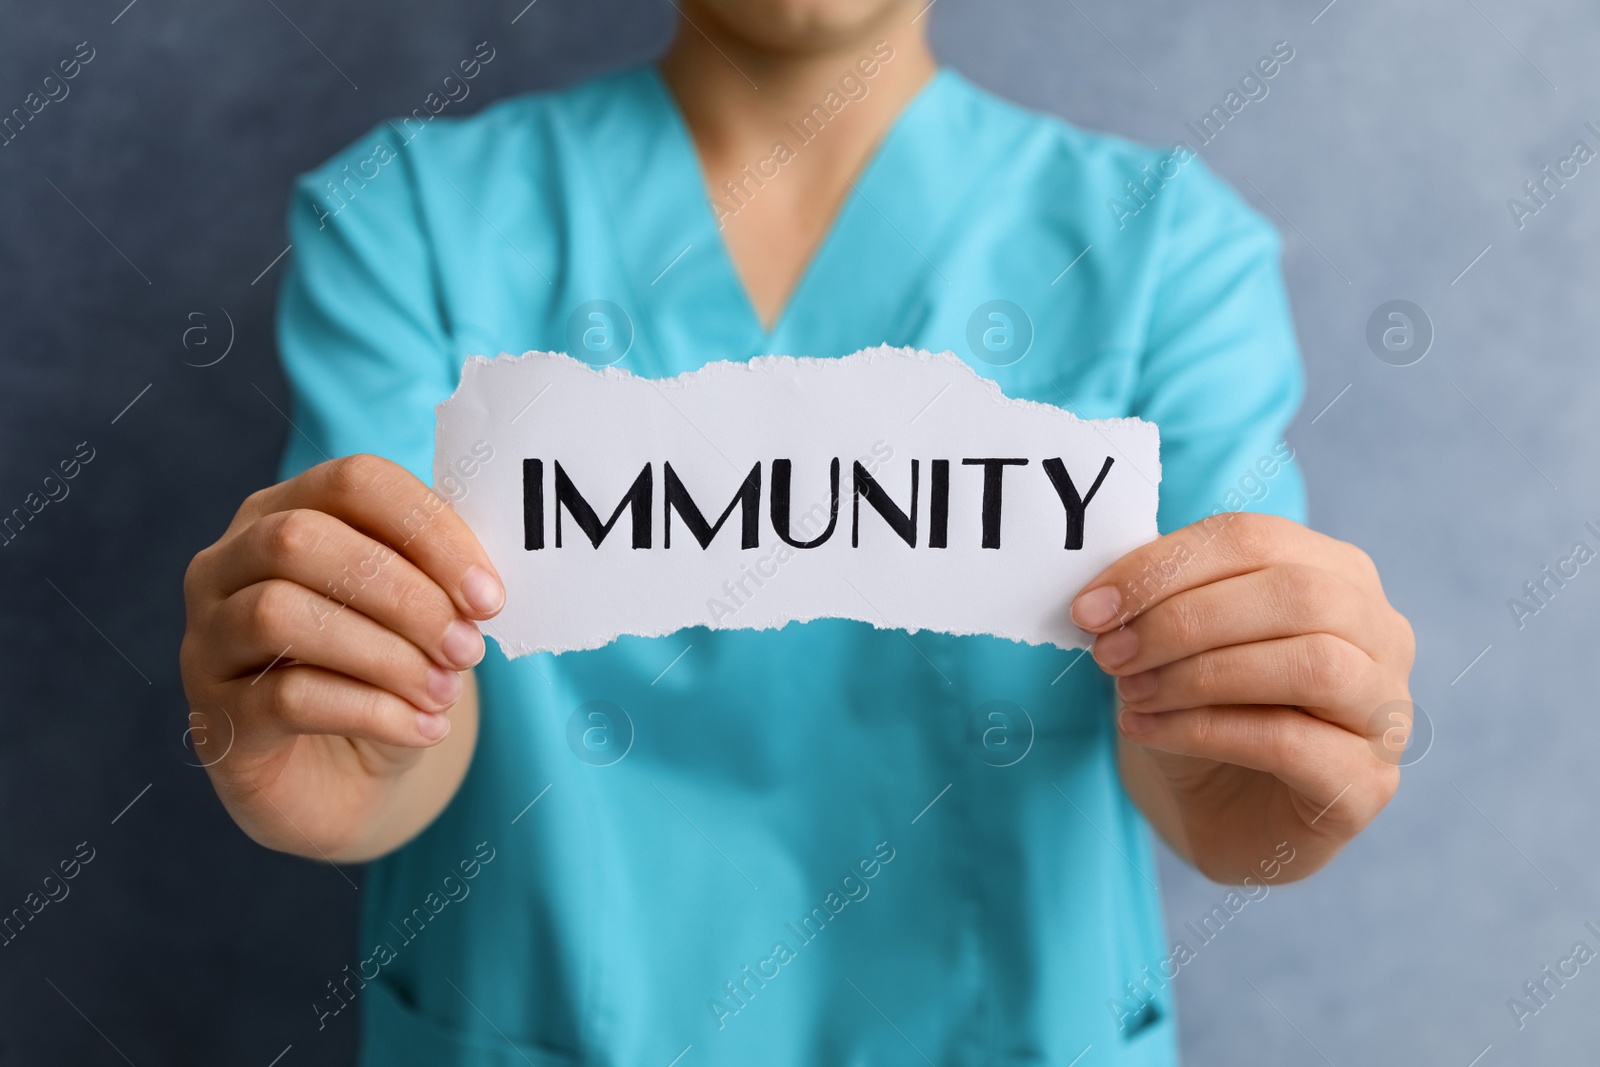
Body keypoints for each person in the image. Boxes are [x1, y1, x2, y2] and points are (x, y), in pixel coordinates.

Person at [179, 1, 1415, 1063]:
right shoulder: (411, 223)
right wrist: (347, 733)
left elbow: (1213, 763)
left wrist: (1257, 764)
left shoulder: (1167, 248)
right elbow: (386, 703)